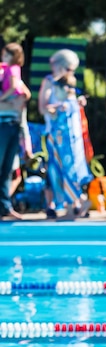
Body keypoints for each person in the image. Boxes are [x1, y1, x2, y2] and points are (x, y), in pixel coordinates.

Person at [38, 48, 92, 219]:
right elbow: (43, 107)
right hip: (55, 134)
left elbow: (72, 101)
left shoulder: (69, 81)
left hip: (70, 136)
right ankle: (55, 204)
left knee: (71, 167)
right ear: (59, 65)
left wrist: (77, 102)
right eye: (69, 68)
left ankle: (74, 204)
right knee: (55, 169)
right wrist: (55, 109)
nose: (71, 72)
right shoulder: (49, 82)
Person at [0, 42, 30, 220]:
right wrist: (7, 103)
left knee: (7, 169)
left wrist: (15, 101)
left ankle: (4, 207)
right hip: (2, 123)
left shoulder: (11, 71)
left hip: (13, 124)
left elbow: (25, 94)